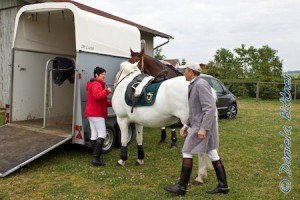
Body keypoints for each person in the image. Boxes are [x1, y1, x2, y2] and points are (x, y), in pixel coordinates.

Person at [164, 63, 229, 196]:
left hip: (201, 127)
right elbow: (194, 110)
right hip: (199, 125)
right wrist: (186, 125)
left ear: (191, 72)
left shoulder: (200, 84)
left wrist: (203, 129)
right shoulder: (194, 84)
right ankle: (223, 186)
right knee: (212, 153)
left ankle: (181, 187)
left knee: (186, 151)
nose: (183, 73)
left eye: (185, 71)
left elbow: (209, 109)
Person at [85, 66, 112, 166]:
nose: (104, 76)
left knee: (94, 134)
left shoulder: (94, 84)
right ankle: (96, 159)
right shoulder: (96, 84)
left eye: (105, 74)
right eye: (102, 74)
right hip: (96, 113)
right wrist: (107, 91)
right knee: (102, 134)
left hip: (91, 113)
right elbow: (97, 96)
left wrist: (113, 103)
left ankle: (95, 156)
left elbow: (101, 101)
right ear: (96, 75)